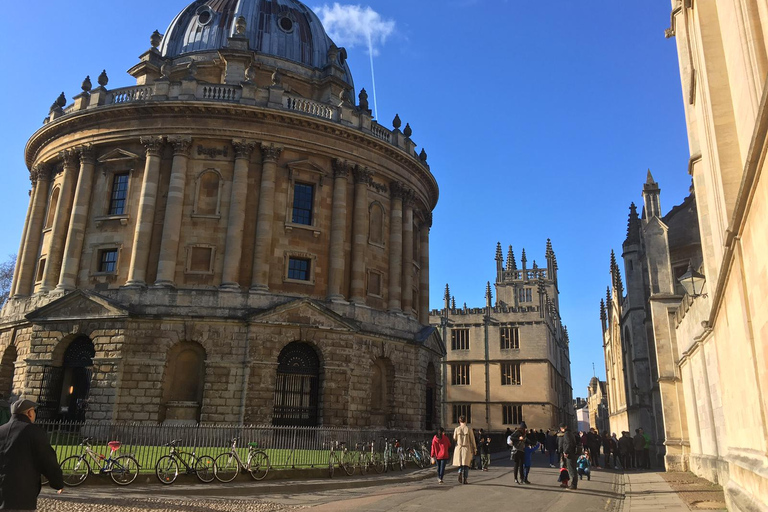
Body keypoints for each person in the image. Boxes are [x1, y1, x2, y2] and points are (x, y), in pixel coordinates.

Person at [0, 399, 64, 510]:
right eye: (34, 411)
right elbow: (48, 461)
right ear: (29, 413)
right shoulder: (34, 432)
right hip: (21, 494)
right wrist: (58, 483)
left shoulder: (1, 430)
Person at [453, 415, 477, 484]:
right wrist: (475, 449)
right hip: (466, 448)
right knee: (466, 464)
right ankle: (465, 479)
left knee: (460, 463)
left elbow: (454, 438)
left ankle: (460, 472)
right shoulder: (469, 429)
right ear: (466, 421)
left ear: (459, 421)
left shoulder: (457, 429)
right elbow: (472, 440)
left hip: (459, 448)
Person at [560, 422, 579, 490]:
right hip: (572, 453)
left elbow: (568, 443)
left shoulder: (567, 434)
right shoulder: (570, 433)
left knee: (571, 470)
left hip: (570, 454)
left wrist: (566, 452)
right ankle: (574, 484)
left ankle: (573, 485)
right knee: (573, 469)